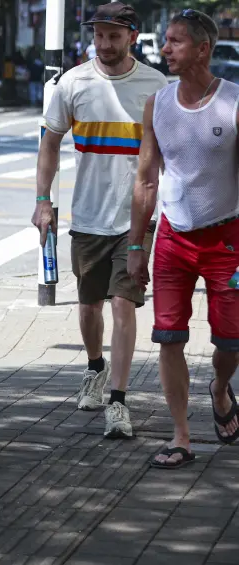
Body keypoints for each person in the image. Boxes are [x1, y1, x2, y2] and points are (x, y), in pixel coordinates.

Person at [31, 2, 168, 439]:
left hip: (136, 219)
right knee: (90, 307)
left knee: (123, 304)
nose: (104, 44)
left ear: (132, 36)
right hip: (88, 216)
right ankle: (95, 366)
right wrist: (43, 201)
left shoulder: (155, 86)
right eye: (98, 35)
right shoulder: (73, 83)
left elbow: (170, 153)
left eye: (113, 35)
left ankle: (119, 401)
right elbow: (50, 143)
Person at [128, 10, 239, 469]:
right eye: (166, 40)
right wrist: (137, 246)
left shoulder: (233, 101)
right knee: (168, 337)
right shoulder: (157, 104)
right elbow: (146, 179)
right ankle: (181, 437)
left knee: (231, 341)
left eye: (175, 41)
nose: (165, 49)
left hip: (227, 238)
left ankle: (220, 387)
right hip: (173, 238)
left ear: (202, 49)